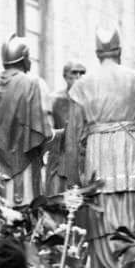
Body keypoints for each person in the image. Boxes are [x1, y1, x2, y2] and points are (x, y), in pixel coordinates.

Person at [67, 28, 135, 268]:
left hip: (97, 157)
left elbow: (73, 138)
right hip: (131, 153)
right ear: (120, 51)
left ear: (96, 53)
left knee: (101, 222)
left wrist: (73, 180)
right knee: (130, 220)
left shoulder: (81, 86)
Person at [0, 35, 53, 204]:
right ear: (24, 58)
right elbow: (44, 133)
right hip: (24, 171)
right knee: (25, 219)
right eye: (29, 57)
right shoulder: (32, 84)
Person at [45, 60, 86, 196]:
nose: (79, 76)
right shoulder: (54, 99)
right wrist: (67, 132)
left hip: (83, 163)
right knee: (56, 206)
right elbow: (48, 133)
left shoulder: (90, 101)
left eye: (82, 73)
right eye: (74, 72)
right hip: (58, 162)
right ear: (65, 76)